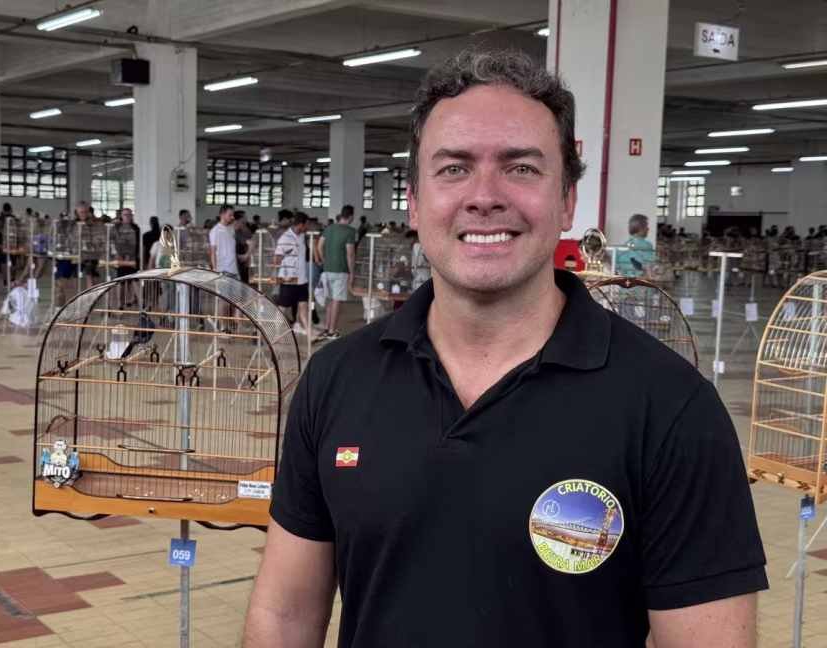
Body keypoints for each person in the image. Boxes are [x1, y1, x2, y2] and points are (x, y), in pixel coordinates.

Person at [244, 48, 766, 648]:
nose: (484, 195)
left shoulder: (673, 408)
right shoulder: (337, 378)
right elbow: (284, 616)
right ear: (414, 202)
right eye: (453, 168)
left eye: (521, 168)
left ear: (566, 201)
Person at [315, 205, 356, 339]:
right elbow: (350, 254)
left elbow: (319, 246)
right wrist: (352, 273)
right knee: (337, 301)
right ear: (351, 216)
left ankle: (328, 328)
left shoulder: (328, 229)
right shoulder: (349, 231)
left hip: (327, 270)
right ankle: (332, 331)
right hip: (341, 270)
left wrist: (324, 261)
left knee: (331, 300)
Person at [274, 212, 311, 335]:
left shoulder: (302, 236)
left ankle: (309, 332)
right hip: (288, 278)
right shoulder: (285, 238)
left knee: (304, 305)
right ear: (300, 224)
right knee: (283, 307)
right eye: (307, 224)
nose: (308, 227)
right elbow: (276, 258)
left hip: (302, 278)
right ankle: (274, 334)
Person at [616, 213, 654, 278]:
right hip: (640, 282)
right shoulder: (647, 246)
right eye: (646, 226)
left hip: (624, 283)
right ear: (641, 228)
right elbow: (649, 269)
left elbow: (617, 269)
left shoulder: (622, 247)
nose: (648, 229)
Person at [209, 205, 239, 279]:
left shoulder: (231, 229)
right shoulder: (215, 231)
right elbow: (213, 252)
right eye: (230, 215)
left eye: (233, 215)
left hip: (233, 269)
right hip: (223, 270)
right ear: (222, 215)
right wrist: (215, 269)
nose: (232, 217)